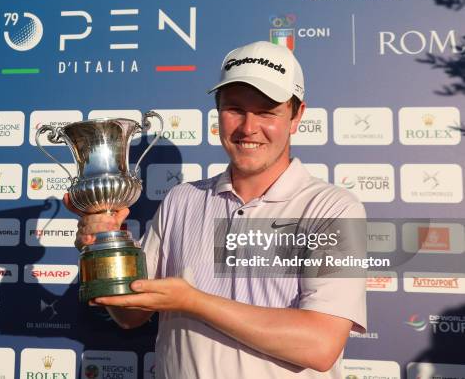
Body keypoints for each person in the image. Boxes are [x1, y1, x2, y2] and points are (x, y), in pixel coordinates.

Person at [65, 41, 367, 378]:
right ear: (218, 112)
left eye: (267, 112)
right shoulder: (182, 200)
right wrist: (104, 246)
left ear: (296, 117)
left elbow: (320, 345)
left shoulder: (332, 208)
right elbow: (131, 314)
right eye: (235, 109)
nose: (248, 127)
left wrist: (193, 301)